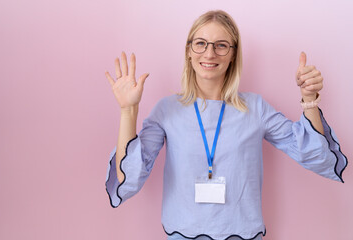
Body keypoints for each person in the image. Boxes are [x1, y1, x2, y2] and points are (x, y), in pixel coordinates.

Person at [104, 10, 347, 240]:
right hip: (182, 233)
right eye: (200, 43)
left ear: (233, 54)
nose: (209, 54)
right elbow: (129, 177)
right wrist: (128, 110)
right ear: (189, 51)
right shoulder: (166, 110)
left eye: (221, 45)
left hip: (242, 233)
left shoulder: (256, 108)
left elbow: (315, 155)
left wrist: (309, 99)